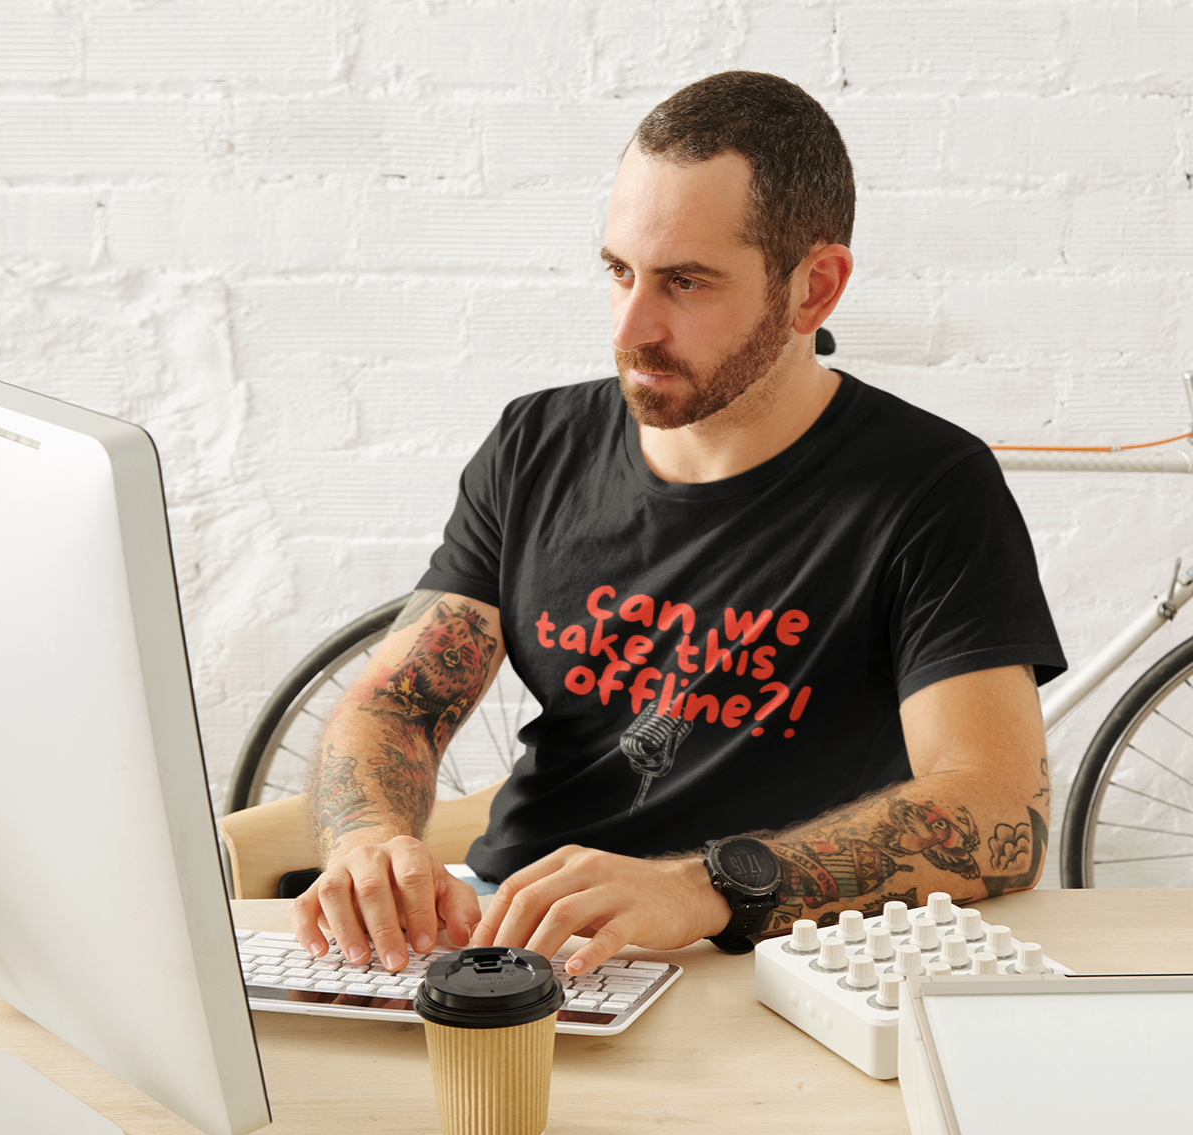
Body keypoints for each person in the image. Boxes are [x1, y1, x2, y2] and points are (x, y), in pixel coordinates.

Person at [291, 70, 1065, 979]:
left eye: (686, 283)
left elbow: (999, 816)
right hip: (513, 947)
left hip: (763, 966)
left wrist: (702, 888)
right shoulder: (534, 444)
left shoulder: (929, 486)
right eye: (619, 271)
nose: (632, 326)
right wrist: (371, 840)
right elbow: (396, 703)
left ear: (814, 289)